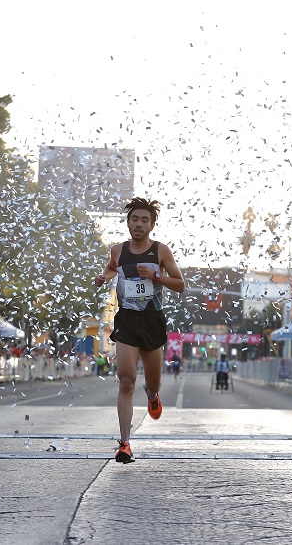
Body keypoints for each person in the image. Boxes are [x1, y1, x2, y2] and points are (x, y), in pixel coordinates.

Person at [94, 197, 185, 464]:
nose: (139, 224)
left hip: (152, 320)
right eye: (135, 219)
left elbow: (180, 285)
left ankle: (153, 395)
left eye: (145, 220)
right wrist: (104, 277)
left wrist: (157, 277)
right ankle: (124, 444)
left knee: (152, 382)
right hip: (127, 320)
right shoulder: (117, 250)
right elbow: (112, 268)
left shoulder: (161, 252)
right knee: (126, 380)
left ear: (152, 225)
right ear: (128, 223)